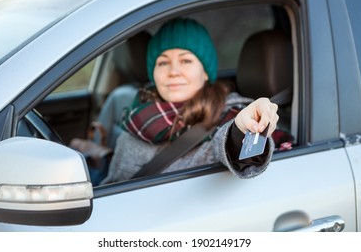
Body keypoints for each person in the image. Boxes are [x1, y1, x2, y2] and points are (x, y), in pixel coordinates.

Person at [99, 17, 279, 184]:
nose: (173, 71)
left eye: (185, 61)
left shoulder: (227, 112)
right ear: (153, 73)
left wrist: (241, 131)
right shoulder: (135, 118)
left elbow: (234, 149)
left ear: (206, 72)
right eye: (163, 63)